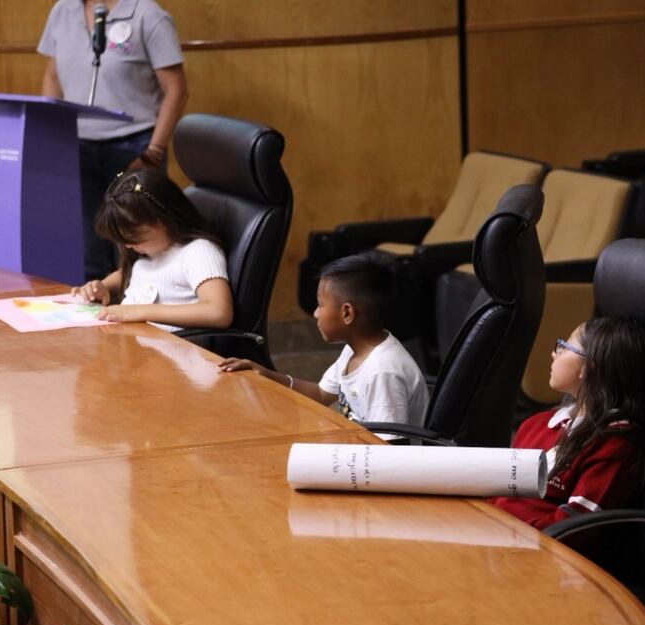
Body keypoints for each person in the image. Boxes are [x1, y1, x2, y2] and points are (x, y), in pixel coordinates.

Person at [38, 0, 189, 281]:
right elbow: (52, 75)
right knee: (86, 246)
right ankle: (94, 316)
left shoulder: (147, 14)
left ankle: (140, 314)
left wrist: (153, 151)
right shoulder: (62, 11)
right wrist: (53, 134)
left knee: (136, 246)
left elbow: (176, 90)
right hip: (77, 147)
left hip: (134, 148)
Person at [489, 316, 645, 535]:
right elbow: (497, 492)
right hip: (493, 534)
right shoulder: (536, 425)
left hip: (532, 551)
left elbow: (574, 530)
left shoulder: (614, 449)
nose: (554, 353)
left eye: (564, 347)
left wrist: (500, 530)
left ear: (588, 368)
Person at [219, 253, 429, 426]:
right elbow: (321, 393)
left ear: (347, 313)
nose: (316, 313)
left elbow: (390, 451)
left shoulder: (383, 371)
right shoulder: (355, 350)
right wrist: (266, 374)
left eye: (320, 304)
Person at [72, 169, 233, 332]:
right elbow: (130, 273)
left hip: (167, 351)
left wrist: (139, 311)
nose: (128, 245)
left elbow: (218, 313)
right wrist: (103, 287)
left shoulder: (198, 251)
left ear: (162, 220)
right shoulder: (150, 250)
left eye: (133, 237)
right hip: (130, 344)